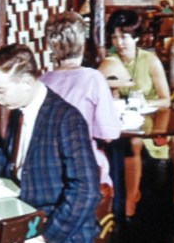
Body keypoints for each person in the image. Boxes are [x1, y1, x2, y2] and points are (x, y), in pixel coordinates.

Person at [0, 45, 101, 243]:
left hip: (60, 234)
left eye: (0, 90)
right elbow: (19, 168)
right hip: (25, 219)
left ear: (26, 83)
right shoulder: (20, 112)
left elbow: (86, 190)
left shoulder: (67, 118)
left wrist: (48, 237)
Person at [41, 12, 122, 188]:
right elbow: (109, 134)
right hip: (82, 167)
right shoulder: (93, 78)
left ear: (50, 45)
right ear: (82, 42)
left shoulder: (42, 80)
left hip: (46, 167)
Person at [106, 9, 171, 218]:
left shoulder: (149, 60)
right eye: (115, 37)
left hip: (151, 123)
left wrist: (142, 103)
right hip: (123, 122)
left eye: (124, 36)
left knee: (133, 143)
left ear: (135, 37)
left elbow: (166, 99)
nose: (119, 42)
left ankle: (130, 200)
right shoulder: (111, 60)